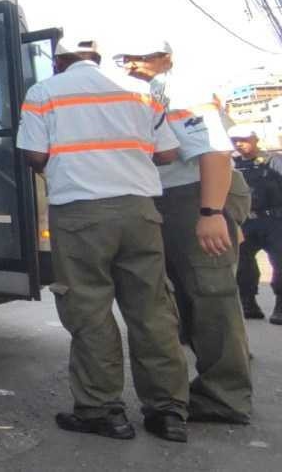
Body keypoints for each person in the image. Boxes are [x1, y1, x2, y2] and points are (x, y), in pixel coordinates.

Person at [16, 38, 190, 442]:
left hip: (79, 211)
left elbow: (34, 155)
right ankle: (168, 413)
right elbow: (167, 154)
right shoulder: (142, 91)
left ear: (58, 60)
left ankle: (102, 410)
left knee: (89, 309)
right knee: (152, 309)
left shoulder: (44, 92)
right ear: (96, 57)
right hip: (138, 209)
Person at [114, 41, 253, 425]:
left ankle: (226, 397)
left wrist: (211, 213)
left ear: (165, 57)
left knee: (211, 295)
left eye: (139, 55)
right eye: (124, 56)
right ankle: (214, 383)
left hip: (195, 194)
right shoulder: (148, 91)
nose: (130, 63)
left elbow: (214, 152)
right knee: (187, 299)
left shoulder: (182, 90)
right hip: (171, 197)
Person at [229, 124, 282, 323]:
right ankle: (248, 302)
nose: (240, 144)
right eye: (235, 141)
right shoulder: (232, 164)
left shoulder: (274, 161)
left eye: (244, 139)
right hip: (245, 221)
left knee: (280, 262)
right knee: (243, 264)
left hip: (274, 221)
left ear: (256, 139)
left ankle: (280, 305)